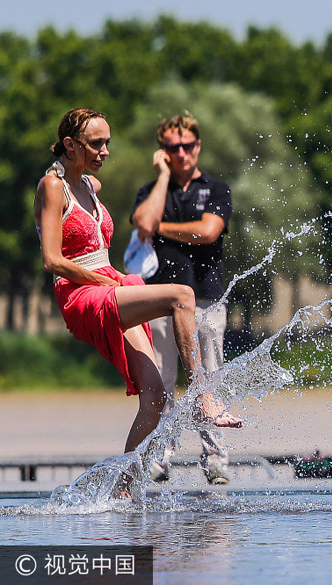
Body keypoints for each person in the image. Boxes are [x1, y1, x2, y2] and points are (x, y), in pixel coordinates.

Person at [33, 108, 242, 491]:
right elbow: (52, 260)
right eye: (97, 143)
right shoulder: (52, 186)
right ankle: (202, 397)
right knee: (182, 296)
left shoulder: (91, 187)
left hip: (111, 285)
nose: (106, 151)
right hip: (82, 294)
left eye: (108, 142)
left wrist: (111, 281)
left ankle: (123, 490)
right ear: (70, 145)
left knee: (156, 395)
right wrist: (102, 280)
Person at [131, 114, 235, 485]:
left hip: (205, 299)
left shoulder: (216, 188)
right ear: (163, 152)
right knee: (162, 381)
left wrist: (161, 229)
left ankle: (215, 458)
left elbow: (208, 232)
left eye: (187, 145)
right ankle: (161, 456)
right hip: (159, 302)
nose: (181, 153)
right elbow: (143, 223)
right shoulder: (152, 191)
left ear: (198, 146)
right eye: (172, 148)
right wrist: (162, 178)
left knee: (208, 378)